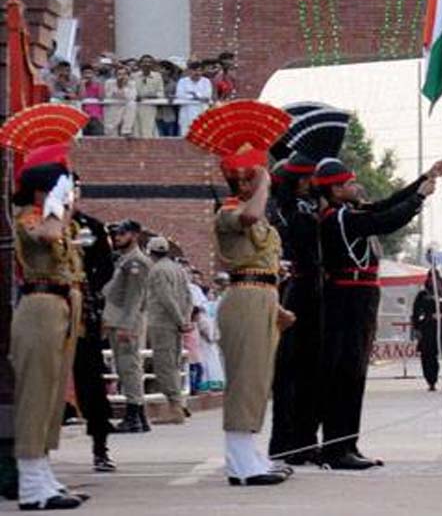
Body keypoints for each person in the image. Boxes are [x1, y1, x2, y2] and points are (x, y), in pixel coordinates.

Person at [187, 102, 296, 487]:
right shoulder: (229, 212)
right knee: (245, 380)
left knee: (258, 380)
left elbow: (264, 267)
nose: (261, 184)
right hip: (245, 297)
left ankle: (251, 455)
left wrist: (276, 307)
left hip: (260, 296)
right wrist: (264, 182)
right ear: (243, 182)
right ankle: (240, 463)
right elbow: (249, 218)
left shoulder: (258, 216)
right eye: (253, 177)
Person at [314, 156, 442, 469]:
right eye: (349, 183)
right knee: (344, 372)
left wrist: (424, 179)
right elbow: (386, 221)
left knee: (356, 371)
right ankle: (336, 448)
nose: (355, 186)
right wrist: (419, 197)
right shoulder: (338, 218)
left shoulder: (350, 212)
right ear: (335, 189)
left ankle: (348, 443)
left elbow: (387, 204)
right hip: (346, 297)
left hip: (360, 295)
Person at [1, 112, 90, 509]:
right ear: (45, 187)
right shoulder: (29, 218)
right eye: (61, 182)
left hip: (59, 306)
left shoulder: (55, 216)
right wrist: (58, 203)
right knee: (36, 393)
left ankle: (43, 474)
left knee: (52, 396)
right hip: (39, 307)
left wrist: (65, 206)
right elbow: (50, 235)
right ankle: (32, 485)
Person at [267, 153, 324, 465]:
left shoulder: (294, 209)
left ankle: (297, 440)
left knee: (300, 374)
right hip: (294, 291)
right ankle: (291, 442)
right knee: (293, 373)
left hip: (298, 290)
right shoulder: (288, 212)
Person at [71, 195, 118, 472]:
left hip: (83, 308)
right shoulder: (35, 223)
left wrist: (89, 286)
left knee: (90, 379)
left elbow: (106, 267)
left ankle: (100, 447)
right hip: (50, 301)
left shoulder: (91, 226)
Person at [102, 219, 153, 434]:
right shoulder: (125, 260)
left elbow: (135, 298)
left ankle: (133, 417)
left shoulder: (136, 262)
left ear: (134, 235)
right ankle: (139, 417)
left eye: (122, 234)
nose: (117, 238)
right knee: (127, 368)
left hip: (126, 322)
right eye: (116, 234)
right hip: (120, 321)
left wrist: (126, 326)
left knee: (129, 368)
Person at [145, 236, 193, 424]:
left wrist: (180, 320)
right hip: (177, 323)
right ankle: (177, 405)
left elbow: (165, 298)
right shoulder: (178, 269)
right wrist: (185, 319)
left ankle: (175, 408)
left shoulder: (157, 270)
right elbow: (188, 296)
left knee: (164, 365)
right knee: (173, 364)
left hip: (163, 322)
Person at [175, 62, 212, 136]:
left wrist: (195, 95)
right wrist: (194, 97)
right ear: (189, 71)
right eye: (195, 70)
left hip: (202, 111)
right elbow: (179, 95)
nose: (197, 73)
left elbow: (207, 95)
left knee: (202, 136)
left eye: (199, 71)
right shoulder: (182, 81)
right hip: (187, 112)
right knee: (185, 135)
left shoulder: (206, 81)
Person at [133, 55, 163, 138]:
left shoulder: (157, 76)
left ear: (152, 64)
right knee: (136, 131)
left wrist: (148, 96)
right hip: (136, 107)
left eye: (149, 62)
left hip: (150, 108)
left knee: (149, 131)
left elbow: (161, 93)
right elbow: (131, 91)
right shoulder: (134, 76)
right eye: (144, 62)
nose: (147, 64)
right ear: (140, 64)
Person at [103, 64, 138, 137]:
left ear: (128, 75)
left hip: (125, 107)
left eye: (124, 74)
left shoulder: (132, 83)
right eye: (119, 74)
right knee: (110, 132)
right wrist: (119, 86)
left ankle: (126, 130)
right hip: (112, 108)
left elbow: (131, 97)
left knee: (132, 104)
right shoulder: (109, 82)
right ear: (115, 75)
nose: (122, 76)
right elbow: (108, 95)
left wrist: (123, 86)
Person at [78, 64, 104, 135]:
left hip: (95, 115)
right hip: (82, 114)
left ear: (93, 74)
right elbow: (81, 97)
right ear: (82, 74)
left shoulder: (98, 83)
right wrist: (83, 84)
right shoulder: (79, 84)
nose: (87, 75)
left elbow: (101, 97)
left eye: (89, 73)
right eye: (85, 73)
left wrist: (99, 85)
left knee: (97, 134)